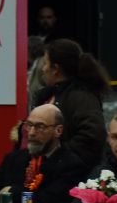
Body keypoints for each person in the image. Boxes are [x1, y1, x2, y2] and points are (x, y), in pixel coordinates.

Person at [0, 104, 87, 203]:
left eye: (40, 126)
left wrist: (11, 192)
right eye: (29, 125)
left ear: (58, 130)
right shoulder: (13, 159)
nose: (31, 133)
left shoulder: (71, 165)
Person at [33, 39, 109, 169]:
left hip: (72, 177)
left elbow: (93, 134)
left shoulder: (82, 97)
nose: (43, 69)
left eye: (45, 63)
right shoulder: (47, 96)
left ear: (55, 69)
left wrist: (57, 155)